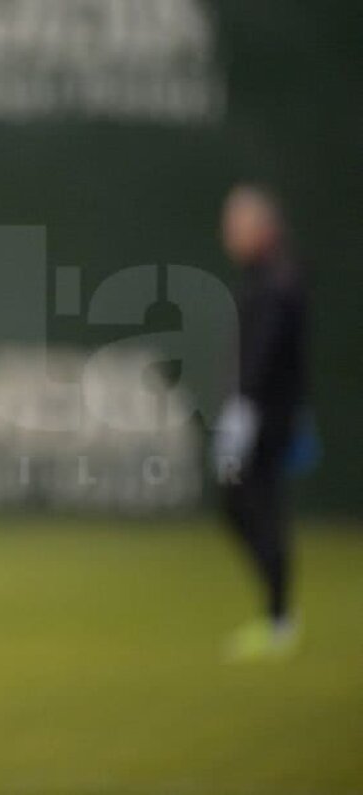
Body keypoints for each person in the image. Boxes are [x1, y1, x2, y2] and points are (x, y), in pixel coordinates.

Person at [214, 184, 310, 662]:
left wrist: (243, 411)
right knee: (242, 503)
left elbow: (265, 356)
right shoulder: (265, 279)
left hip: (265, 420)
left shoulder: (276, 283)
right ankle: (278, 614)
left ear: (264, 227)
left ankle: (279, 617)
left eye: (238, 222)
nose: (229, 232)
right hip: (263, 416)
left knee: (256, 505)